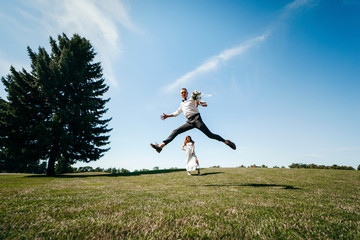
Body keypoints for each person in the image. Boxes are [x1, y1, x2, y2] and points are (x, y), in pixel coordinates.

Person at [150, 88, 236, 153]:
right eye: (181, 93)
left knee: (210, 135)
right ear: (180, 95)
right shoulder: (182, 104)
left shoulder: (193, 98)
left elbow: (205, 104)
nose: (183, 93)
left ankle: (226, 142)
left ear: (187, 93)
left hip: (197, 119)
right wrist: (167, 116)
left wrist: (201, 103)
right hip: (189, 122)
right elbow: (176, 113)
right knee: (175, 131)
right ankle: (160, 147)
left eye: (184, 92)